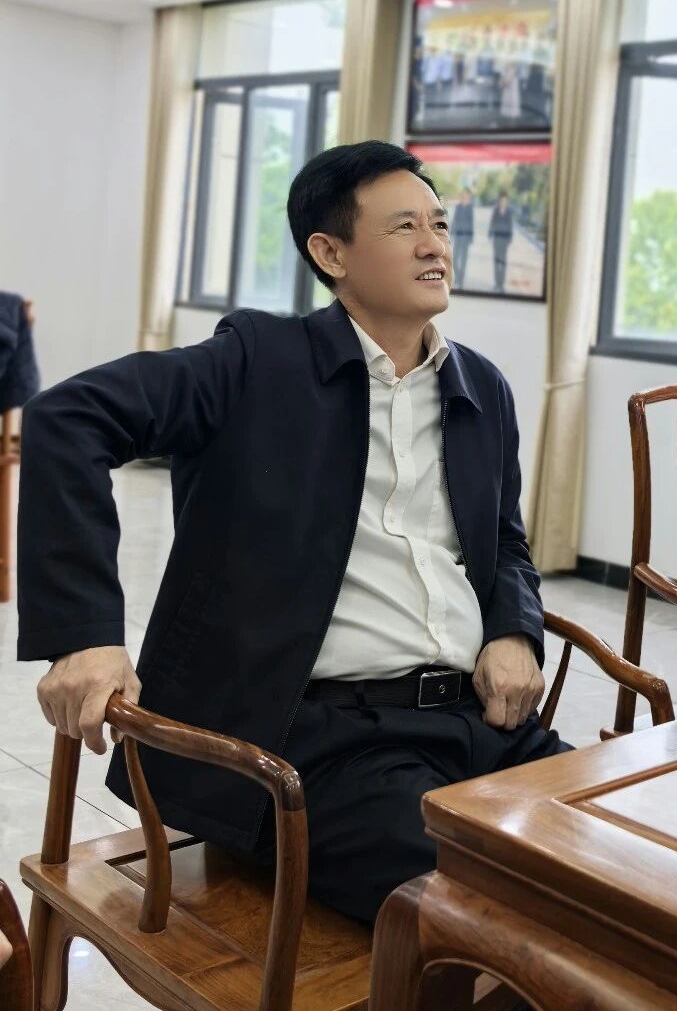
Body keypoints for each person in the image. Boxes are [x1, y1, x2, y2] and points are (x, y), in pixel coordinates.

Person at [17, 141, 568, 925]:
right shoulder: (258, 361)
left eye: (440, 224)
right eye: (404, 226)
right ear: (331, 253)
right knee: (497, 901)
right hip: (319, 747)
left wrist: (513, 629)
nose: (433, 245)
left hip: (479, 725)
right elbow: (67, 418)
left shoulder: (481, 387)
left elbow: (506, 541)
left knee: (619, 857)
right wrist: (83, 634)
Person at [489, 191, 514, 291]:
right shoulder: (496, 210)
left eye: (505, 201)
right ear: (499, 201)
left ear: (506, 202)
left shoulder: (509, 212)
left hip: (504, 240)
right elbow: (492, 222)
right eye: (502, 201)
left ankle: (501, 284)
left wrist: (510, 238)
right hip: (497, 239)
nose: (503, 202)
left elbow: (510, 225)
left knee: (503, 262)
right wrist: (490, 233)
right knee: (496, 261)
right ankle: (496, 283)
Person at [451, 186, 475, 287]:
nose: (465, 196)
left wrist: (471, 237)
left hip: (466, 237)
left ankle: (460, 281)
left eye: (466, 195)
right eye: (463, 195)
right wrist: (450, 234)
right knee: (455, 259)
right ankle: (458, 276)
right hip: (457, 236)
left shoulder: (470, 208)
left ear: (468, 196)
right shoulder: (458, 207)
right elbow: (454, 220)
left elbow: (471, 223)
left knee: (463, 260)